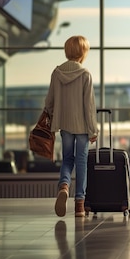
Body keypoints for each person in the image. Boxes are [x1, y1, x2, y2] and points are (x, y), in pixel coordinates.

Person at [44, 35, 98, 218]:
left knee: (67, 159)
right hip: (82, 126)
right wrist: (93, 130)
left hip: (64, 124)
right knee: (81, 161)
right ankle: (79, 206)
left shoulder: (56, 72)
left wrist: (50, 119)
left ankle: (64, 185)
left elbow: (49, 101)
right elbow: (89, 106)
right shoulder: (85, 74)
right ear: (83, 52)